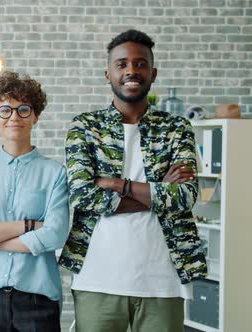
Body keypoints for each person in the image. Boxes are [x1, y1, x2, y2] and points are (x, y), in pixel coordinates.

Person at [58, 29, 207, 332]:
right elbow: (83, 196)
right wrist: (156, 193)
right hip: (97, 276)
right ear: (108, 73)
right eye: (122, 63)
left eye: (140, 64)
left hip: (163, 280)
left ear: (153, 73)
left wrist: (117, 184)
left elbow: (186, 196)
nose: (131, 71)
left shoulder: (176, 127)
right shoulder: (86, 127)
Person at [0, 71, 69, 332]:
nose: (14, 117)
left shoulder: (54, 173)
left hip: (37, 298)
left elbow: (55, 235)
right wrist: (30, 225)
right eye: (6, 110)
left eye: (23, 109)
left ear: (36, 116)